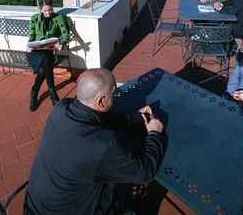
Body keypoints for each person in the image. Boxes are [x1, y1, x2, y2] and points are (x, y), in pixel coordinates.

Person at [24, 68, 164, 215]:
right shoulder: (104, 145)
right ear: (101, 101)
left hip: (37, 207)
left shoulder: (61, 107)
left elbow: (95, 117)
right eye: (114, 92)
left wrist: (131, 119)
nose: (116, 95)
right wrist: (154, 133)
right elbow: (145, 172)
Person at [26, 0, 69, 112]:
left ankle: (34, 93)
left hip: (49, 51)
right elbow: (31, 36)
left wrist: (62, 44)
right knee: (44, 63)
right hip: (35, 52)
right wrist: (29, 46)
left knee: (43, 67)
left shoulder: (58, 18)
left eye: (50, 10)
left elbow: (65, 35)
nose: (48, 13)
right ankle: (53, 95)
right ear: (40, 9)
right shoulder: (34, 18)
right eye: (45, 11)